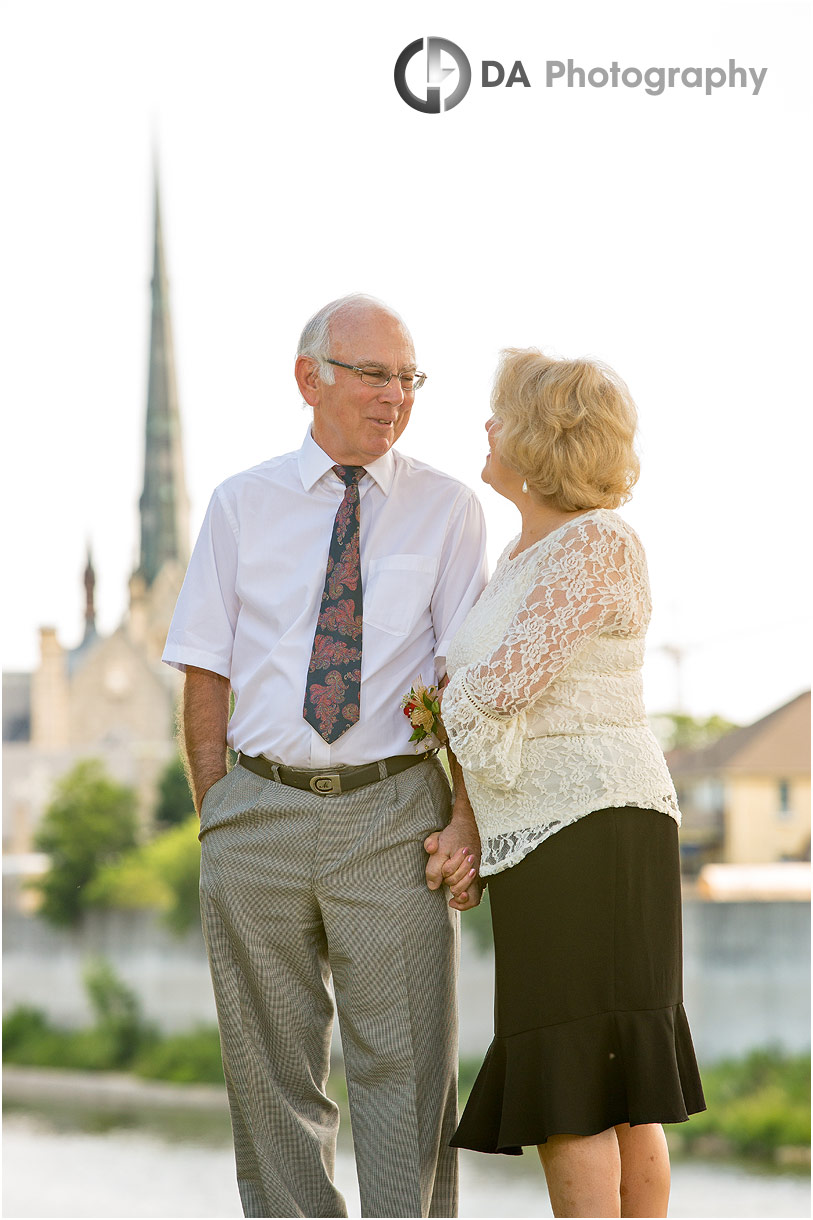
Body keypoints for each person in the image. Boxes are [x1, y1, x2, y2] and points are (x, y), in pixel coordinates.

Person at [162, 294, 488, 1219]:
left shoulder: (448, 511)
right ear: (311, 379)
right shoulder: (239, 506)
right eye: (374, 374)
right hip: (255, 811)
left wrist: (465, 815)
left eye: (408, 378)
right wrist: (215, 813)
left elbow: (465, 683)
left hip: (394, 814)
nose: (396, 397)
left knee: (408, 1075)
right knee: (270, 1081)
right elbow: (205, 671)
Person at [439, 348, 706, 1219]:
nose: (484, 428)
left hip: (595, 827)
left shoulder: (595, 543)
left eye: (499, 415)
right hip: (545, 836)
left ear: (539, 437)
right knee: (594, 1080)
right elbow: (487, 709)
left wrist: (430, 706)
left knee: (584, 1086)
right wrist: (469, 821)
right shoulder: (518, 556)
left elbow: (499, 690)